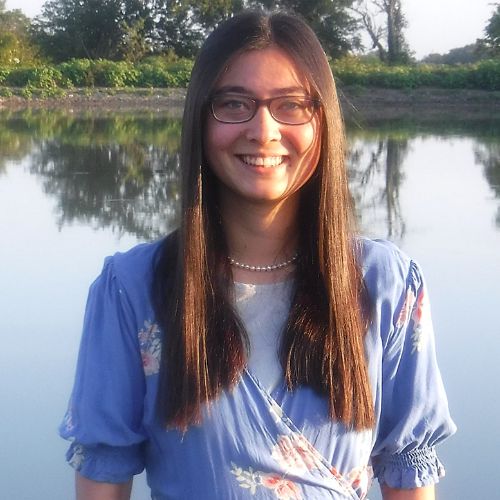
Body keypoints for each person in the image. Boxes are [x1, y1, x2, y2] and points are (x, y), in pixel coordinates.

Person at [59, 10, 456, 500]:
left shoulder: (386, 283)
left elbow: (408, 469)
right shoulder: (133, 288)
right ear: (201, 119)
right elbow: (103, 470)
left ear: (323, 120)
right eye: (234, 104)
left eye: (291, 105)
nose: (263, 130)